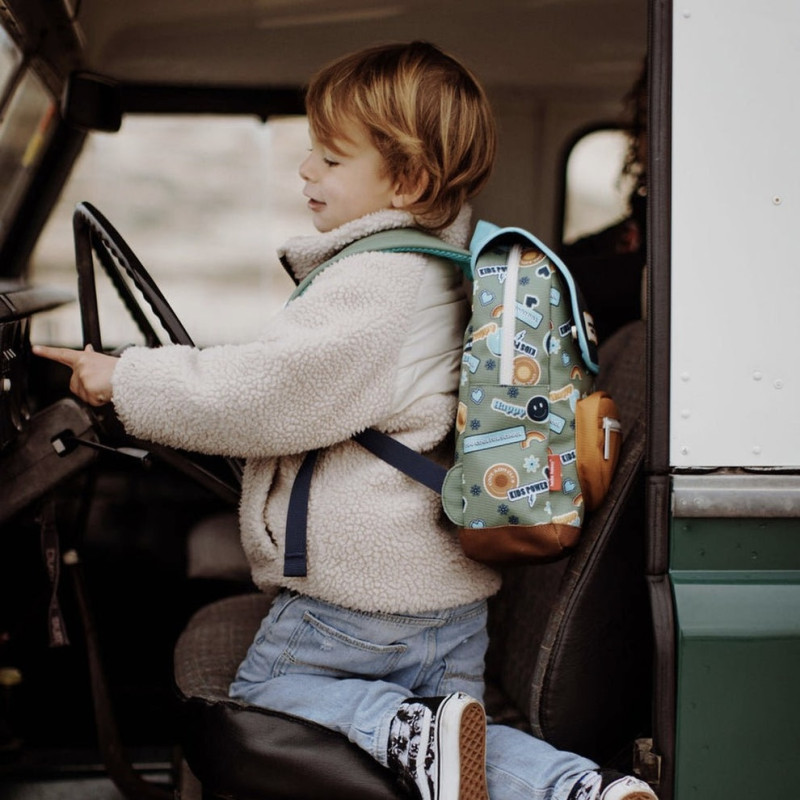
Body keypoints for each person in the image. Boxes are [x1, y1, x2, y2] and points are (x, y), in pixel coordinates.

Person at [35, 41, 657, 800]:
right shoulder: (441, 267)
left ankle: (396, 724)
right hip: (446, 602)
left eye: (330, 159)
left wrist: (126, 378)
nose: (306, 172)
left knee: (265, 699)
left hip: (359, 601)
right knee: (458, 748)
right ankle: (577, 790)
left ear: (409, 178)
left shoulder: (376, 279)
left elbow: (273, 395)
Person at [561, 62, 648, 342]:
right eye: (642, 125)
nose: (644, 142)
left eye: (651, 124)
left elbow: (636, 277)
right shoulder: (644, 208)